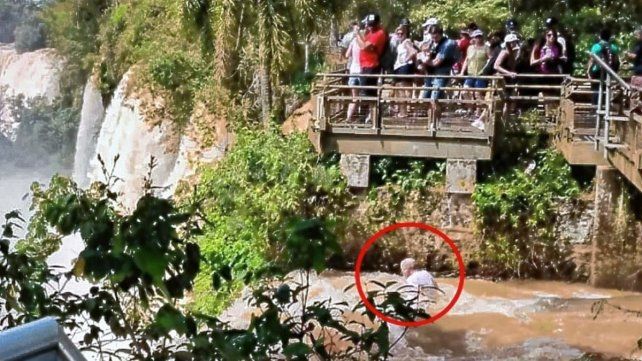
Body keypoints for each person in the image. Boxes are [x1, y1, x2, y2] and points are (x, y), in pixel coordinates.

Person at [354, 13, 387, 123]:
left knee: (367, 94)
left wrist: (356, 33)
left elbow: (364, 46)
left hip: (371, 67)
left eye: (373, 25)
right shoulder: (370, 33)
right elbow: (364, 42)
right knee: (367, 93)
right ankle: (369, 117)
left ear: (378, 23)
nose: (370, 27)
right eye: (369, 24)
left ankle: (369, 118)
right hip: (365, 66)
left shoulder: (379, 33)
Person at [460, 29, 489, 129]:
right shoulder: (470, 48)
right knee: (464, 91)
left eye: (480, 36)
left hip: (481, 73)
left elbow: (490, 59)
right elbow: (467, 60)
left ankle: (478, 111)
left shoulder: (486, 48)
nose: (478, 38)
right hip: (471, 73)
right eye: (476, 37)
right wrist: (461, 72)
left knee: (478, 93)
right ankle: (470, 108)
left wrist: (486, 69)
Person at [587, 28, 621, 104]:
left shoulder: (596, 47)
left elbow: (592, 60)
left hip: (597, 71)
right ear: (609, 37)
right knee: (606, 89)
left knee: (596, 89)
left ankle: (595, 107)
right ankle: (605, 107)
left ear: (600, 36)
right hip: (608, 71)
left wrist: (588, 71)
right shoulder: (613, 47)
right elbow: (616, 61)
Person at [392, 25, 417, 117]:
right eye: (398, 33)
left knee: (401, 90)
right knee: (402, 90)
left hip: (403, 67)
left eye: (401, 33)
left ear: (406, 33)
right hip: (399, 67)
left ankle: (403, 112)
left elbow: (413, 52)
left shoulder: (406, 42)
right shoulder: (400, 42)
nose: (399, 35)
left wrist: (406, 60)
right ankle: (404, 110)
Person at [345, 21, 362, 122]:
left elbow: (347, 55)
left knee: (354, 97)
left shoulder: (353, 42)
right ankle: (357, 116)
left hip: (353, 71)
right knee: (361, 96)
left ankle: (349, 117)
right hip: (360, 71)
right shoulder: (362, 43)